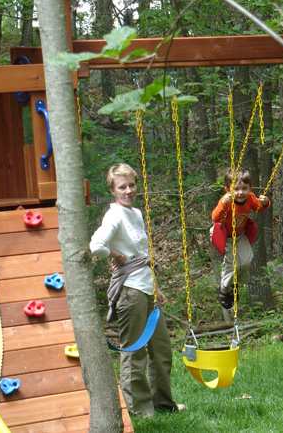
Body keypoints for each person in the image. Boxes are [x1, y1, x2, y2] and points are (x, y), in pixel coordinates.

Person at [89, 163, 185, 418]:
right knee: (134, 352)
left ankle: (163, 403)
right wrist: (116, 254)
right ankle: (140, 410)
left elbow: (141, 254)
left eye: (131, 185)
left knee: (161, 350)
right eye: (122, 187)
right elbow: (96, 246)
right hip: (130, 291)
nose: (128, 191)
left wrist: (156, 288)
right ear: (113, 191)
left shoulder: (136, 213)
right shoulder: (115, 215)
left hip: (146, 289)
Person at [211, 167, 270, 310]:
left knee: (247, 260)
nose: (240, 192)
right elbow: (215, 218)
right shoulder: (227, 201)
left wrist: (264, 203)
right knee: (232, 264)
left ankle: (234, 284)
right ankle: (223, 290)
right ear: (228, 189)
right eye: (236, 189)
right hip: (224, 235)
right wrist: (224, 203)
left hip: (240, 235)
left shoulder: (250, 198)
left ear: (250, 188)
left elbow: (258, 208)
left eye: (244, 188)